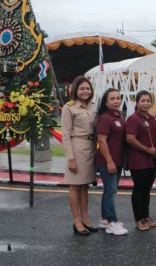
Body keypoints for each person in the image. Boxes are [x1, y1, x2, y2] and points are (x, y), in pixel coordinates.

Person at [61, 76, 98, 236]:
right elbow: (66, 134)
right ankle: (76, 221)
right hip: (77, 149)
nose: (85, 91)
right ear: (75, 90)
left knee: (85, 186)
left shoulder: (93, 106)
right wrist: (71, 158)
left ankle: (85, 218)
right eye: (82, 89)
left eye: (88, 89)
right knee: (75, 186)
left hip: (90, 148)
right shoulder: (69, 108)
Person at [126, 90, 156, 231]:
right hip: (139, 159)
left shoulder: (151, 118)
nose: (146, 103)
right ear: (137, 102)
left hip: (151, 160)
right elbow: (130, 139)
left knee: (147, 189)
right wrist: (147, 150)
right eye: (143, 101)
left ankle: (146, 216)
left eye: (148, 101)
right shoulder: (134, 118)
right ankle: (138, 219)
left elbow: (155, 136)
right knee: (139, 190)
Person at [95, 88, 128, 235]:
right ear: (106, 102)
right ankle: (112, 222)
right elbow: (101, 141)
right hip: (107, 160)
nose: (116, 101)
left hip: (118, 159)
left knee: (109, 190)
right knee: (110, 190)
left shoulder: (119, 114)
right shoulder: (105, 118)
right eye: (112, 99)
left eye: (118, 98)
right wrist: (109, 161)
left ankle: (103, 218)